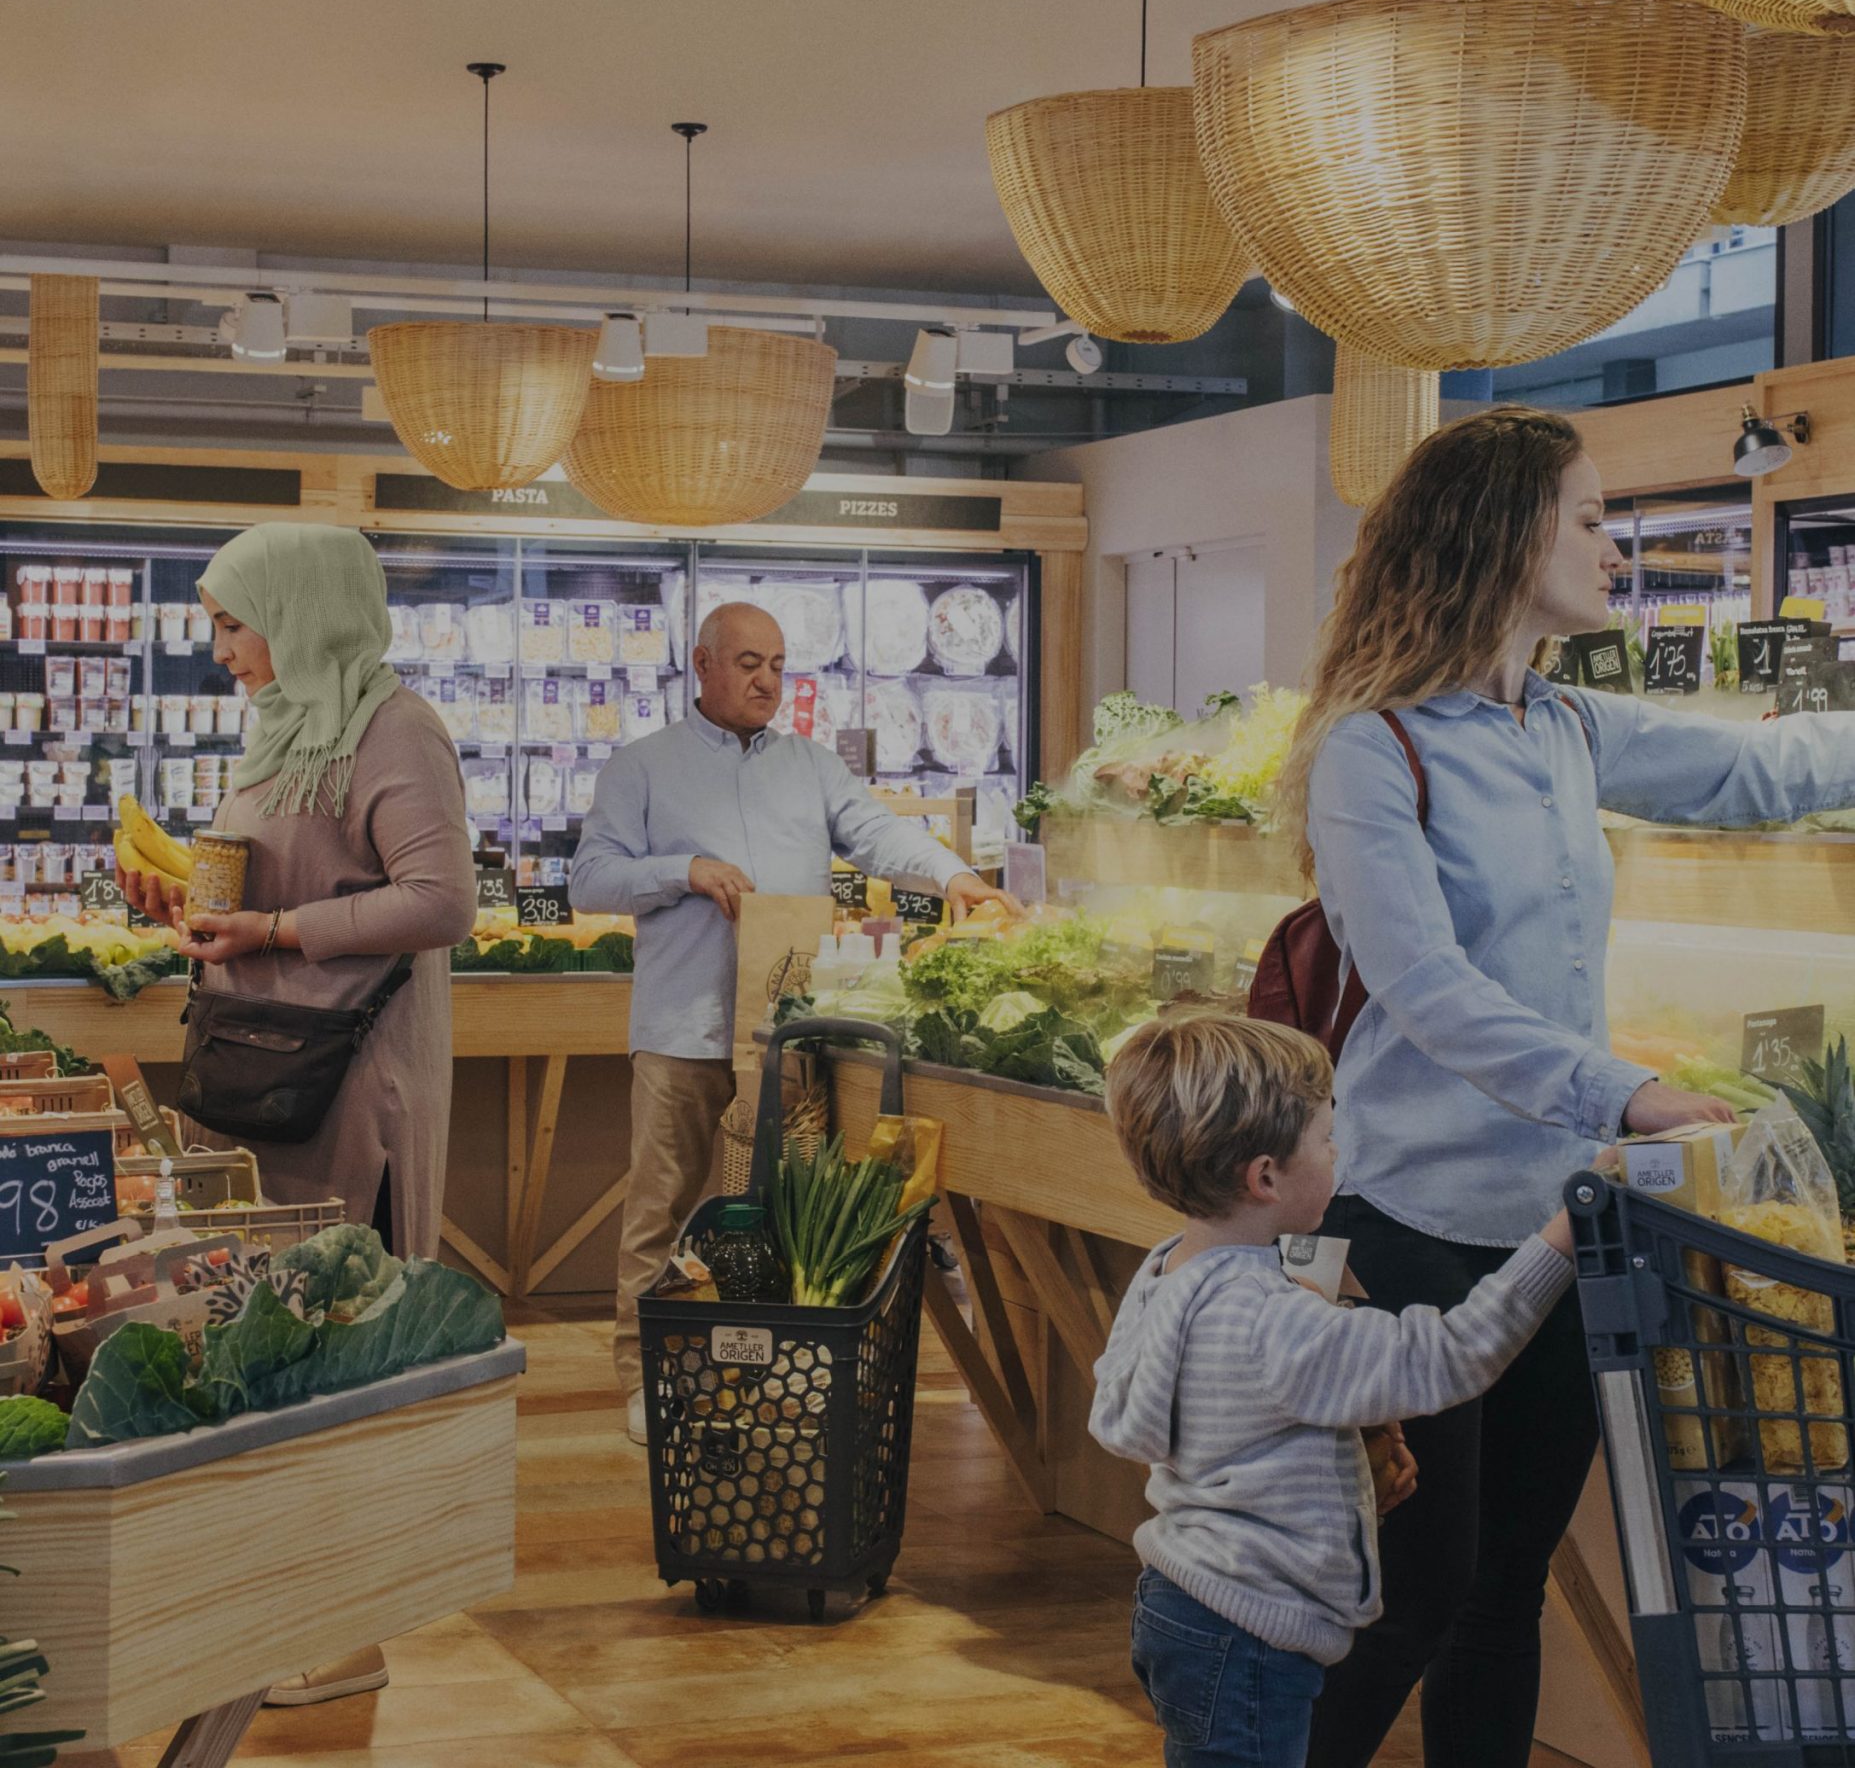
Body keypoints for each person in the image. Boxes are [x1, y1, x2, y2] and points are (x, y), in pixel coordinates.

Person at [1269, 405, 1855, 1768]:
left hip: (1557, 1229)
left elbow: (1754, 771)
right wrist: (1620, 1093)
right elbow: (1419, 982)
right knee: (1405, 1593)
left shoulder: (1565, 724)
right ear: (1496, 531)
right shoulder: (1372, 748)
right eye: (1587, 519)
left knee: (1500, 1589)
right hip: (1407, 1225)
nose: (1612, 545)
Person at [117, 522, 476, 1709]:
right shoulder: (284, 725)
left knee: (342, 1337)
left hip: (347, 1081)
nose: (220, 648)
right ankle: (283, 1593)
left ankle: (349, 1626)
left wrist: (273, 933)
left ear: (307, 604)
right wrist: (186, 899)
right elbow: (283, 882)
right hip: (262, 1074)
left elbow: (439, 901)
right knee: (270, 1336)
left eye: (235, 620)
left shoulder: (394, 726)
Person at [571, 600, 1020, 1443]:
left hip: (789, 1038)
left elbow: (880, 837)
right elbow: (589, 880)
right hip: (680, 1029)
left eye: (777, 664)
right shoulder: (641, 766)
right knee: (659, 1210)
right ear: (701, 666)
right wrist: (683, 870)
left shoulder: (811, 767)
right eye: (747, 663)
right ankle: (647, 1378)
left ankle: (771, 1367)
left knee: (783, 1212)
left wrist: (954, 877)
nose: (765, 680)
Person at [1090, 1010, 1579, 1768]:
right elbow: (1450, 1357)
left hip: (1183, 1606)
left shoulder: (1170, 1271)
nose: (1337, 1154)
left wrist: (1360, 1446)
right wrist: (1560, 1239)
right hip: (1253, 1631)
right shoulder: (1270, 1320)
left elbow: (1254, 1401)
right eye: (1325, 1140)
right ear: (1264, 1177)